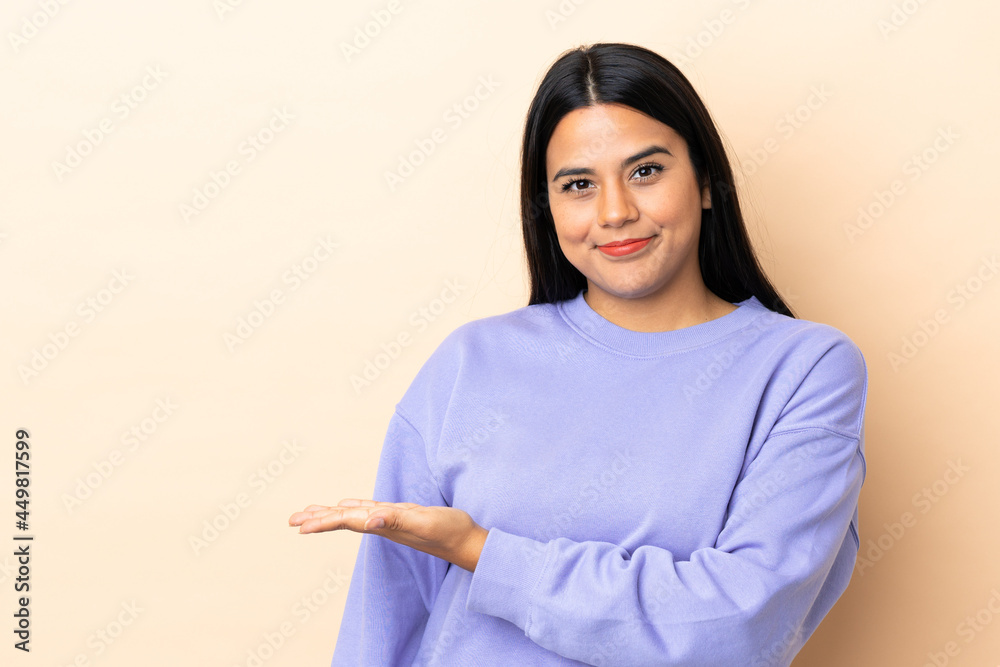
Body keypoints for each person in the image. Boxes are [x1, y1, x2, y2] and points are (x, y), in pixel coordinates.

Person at [289, 42, 868, 666]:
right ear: (548, 208)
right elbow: (387, 622)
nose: (615, 212)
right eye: (578, 184)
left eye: (646, 171)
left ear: (705, 183)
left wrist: (485, 552)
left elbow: (735, 626)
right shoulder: (470, 362)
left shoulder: (805, 370)